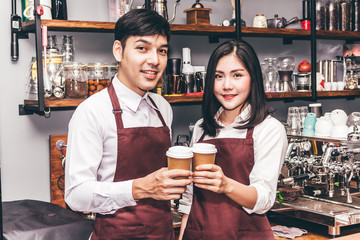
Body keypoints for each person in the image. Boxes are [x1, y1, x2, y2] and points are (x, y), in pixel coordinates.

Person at [64, 9, 192, 240]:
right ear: (118, 51)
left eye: (161, 51)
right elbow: (76, 195)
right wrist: (139, 188)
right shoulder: (93, 111)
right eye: (142, 48)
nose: (154, 60)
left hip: (163, 234)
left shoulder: (163, 108)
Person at [178, 39, 287, 240]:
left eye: (237, 75)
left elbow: (264, 198)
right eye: (219, 76)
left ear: (253, 78)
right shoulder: (202, 128)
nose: (227, 86)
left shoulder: (269, 129)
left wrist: (226, 185)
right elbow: (189, 198)